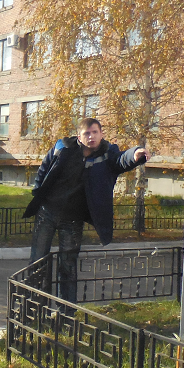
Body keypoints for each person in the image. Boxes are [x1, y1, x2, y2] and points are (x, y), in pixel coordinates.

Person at [23, 117, 150, 304]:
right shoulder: (63, 148)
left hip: (72, 219)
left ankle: (66, 310)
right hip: (47, 212)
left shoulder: (107, 153)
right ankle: (34, 306)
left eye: (95, 132)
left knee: (68, 265)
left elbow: (122, 160)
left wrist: (136, 153)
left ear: (101, 134)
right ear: (79, 137)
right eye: (87, 133)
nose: (91, 137)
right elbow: (44, 169)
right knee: (37, 260)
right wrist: (37, 191)